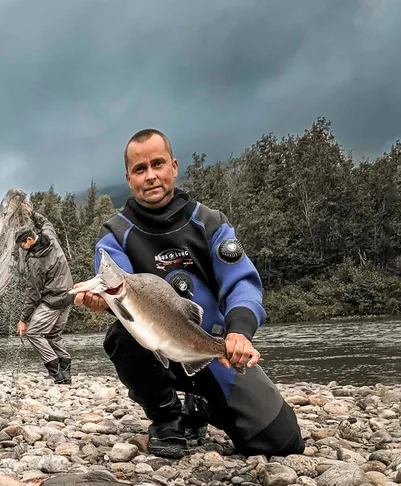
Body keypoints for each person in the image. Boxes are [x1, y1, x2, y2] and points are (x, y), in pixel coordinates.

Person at [73, 129, 304, 459]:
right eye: (140, 169)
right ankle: (167, 415)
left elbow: (242, 283)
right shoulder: (115, 234)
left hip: (211, 346)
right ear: (128, 178)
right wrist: (106, 301)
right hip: (154, 349)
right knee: (121, 337)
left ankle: (205, 405)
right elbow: (117, 283)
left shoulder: (209, 222)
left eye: (158, 164)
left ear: (174, 166)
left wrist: (239, 331)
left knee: (282, 442)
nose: (150, 175)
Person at [15, 206, 74, 385]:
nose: (22, 249)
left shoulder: (35, 262)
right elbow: (45, 222)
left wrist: (23, 319)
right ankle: (66, 376)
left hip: (53, 301)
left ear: (30, 240)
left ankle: (55, 372)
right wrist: (31, 213)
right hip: (68, 296)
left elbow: (33, 293)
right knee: (53, 335)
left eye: (22, 245)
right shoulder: (52, 238)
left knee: (34, 333)